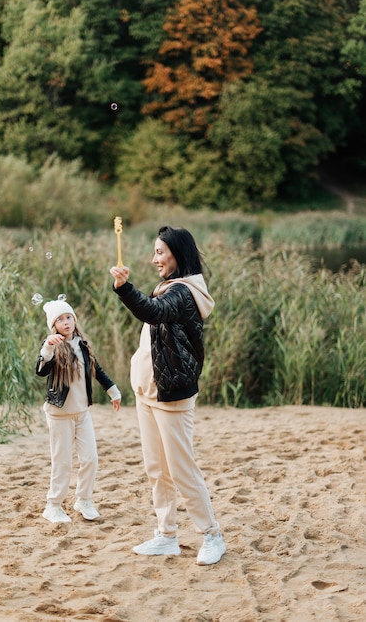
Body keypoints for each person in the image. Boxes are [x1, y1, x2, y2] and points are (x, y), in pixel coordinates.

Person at [110, 226, 225, 565]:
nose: (154, 258)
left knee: (181, 468)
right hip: (148, 392)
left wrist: (124, 287)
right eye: (155, 252)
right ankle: (166, 535)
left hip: (171, 395)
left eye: (160, 252)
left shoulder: (185, 292)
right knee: (156, 467)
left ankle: (212, 535)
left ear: (178, 253)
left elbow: (153, 311)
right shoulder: (168, 287)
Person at [36, 299, 121, 524]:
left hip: (82, 413)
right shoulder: (53, 345)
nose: (66, 322)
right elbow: (40, 371)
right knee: (62, 462)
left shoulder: (82, 344)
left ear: (74, 320)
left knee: (90, 459)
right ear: (53, 325)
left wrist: (112, 390)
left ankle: (83, 500)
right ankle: (53, 505)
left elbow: (96, 369)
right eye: (60, 319)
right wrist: (48, 347)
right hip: (59, 414)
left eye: (69, 317)